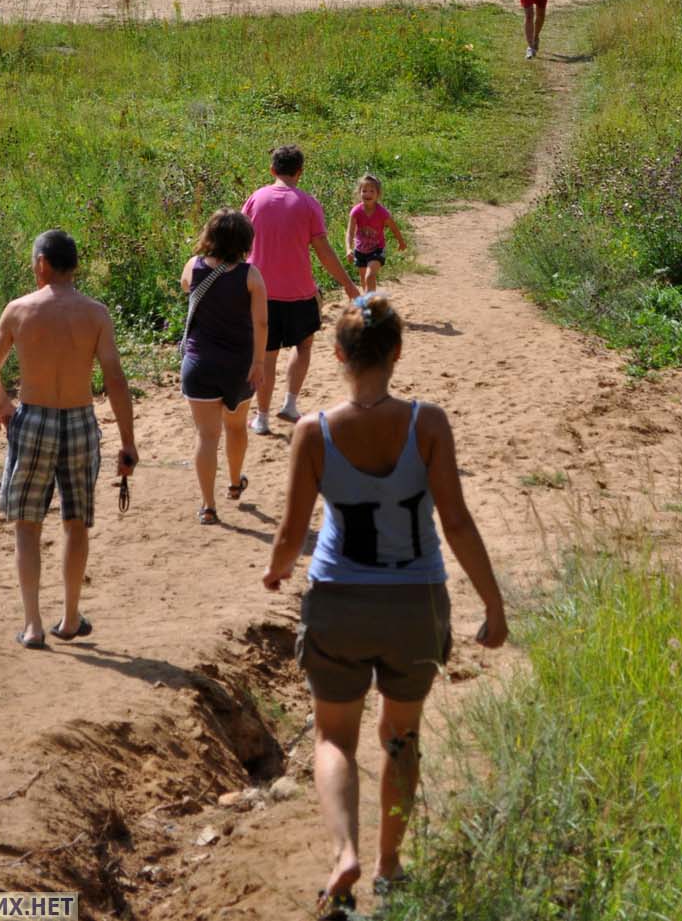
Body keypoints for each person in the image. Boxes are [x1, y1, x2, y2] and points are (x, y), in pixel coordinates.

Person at [263, 295, 508, 916]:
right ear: (397, 351)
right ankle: (389, 864)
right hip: (414, 602)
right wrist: (492, 603)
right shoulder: (428, 424)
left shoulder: (314, 431)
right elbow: (455, 520)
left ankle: (343, 851)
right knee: (401, 736)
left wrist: (276, 571)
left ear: (339, 356)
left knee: (334, 737)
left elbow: (293, 531)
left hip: (340, 600)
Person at [0, 230, 137, 649]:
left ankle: (32, 625)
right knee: (76, 522)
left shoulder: (19, 311)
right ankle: (69, 618)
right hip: (80, 421)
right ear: (75, 267)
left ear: (42, 264)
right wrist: (128, 442)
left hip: (33, 420)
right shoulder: (96, 314)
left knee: (27, 524)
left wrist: (3, 405)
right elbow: (115, 381)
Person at [244, 146, 357, 435]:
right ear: (300, 172)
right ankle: (290, 404)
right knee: (303, 345)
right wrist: (347, 283)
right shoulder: (308, 204)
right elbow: (322, 249)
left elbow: (241, 241)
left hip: (260, 292)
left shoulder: (256, 199)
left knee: (267, 357)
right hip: (299, 292)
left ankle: (262, 418)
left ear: (272, 170)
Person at [180, 210, 268, 525]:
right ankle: (234, 483)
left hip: (199, 363)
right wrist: (259, 362)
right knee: (236, 426)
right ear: (245, 241)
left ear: (209, 237)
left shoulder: (193, 266)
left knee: (206, 436)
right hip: (239, 364)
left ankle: (208, 506)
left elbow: (185, 287)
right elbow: (260, 322)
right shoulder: (251, 276)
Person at [345, 175, 406, 293]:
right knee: (363, 280)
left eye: (372, 191)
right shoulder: (356, 212)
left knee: (369, 276)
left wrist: (401, 241)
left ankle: (372, 303)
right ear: (359, 193)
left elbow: (394, 227)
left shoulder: (382, 213)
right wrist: (348, 248)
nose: (368, 194)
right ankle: (368, 301)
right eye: (364, 191)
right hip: (360, 250)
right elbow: (350, 232)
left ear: (378, 194)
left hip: (377, 249)